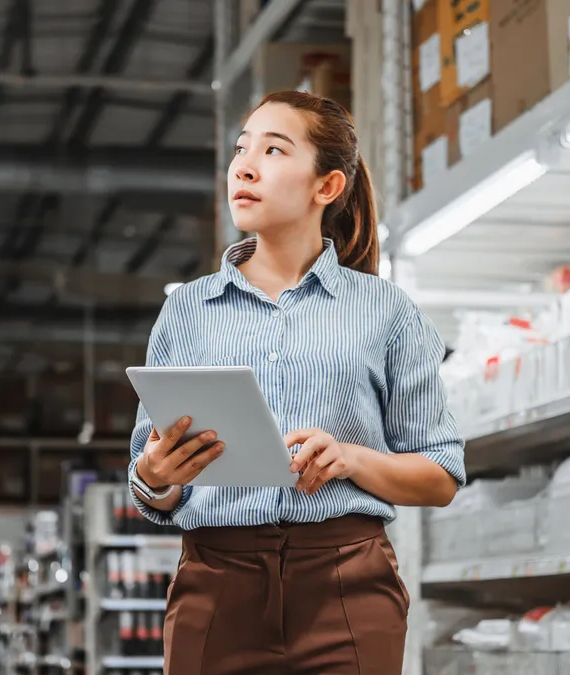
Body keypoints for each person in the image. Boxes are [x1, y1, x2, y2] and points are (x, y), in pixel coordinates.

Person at [126, 90, 466, 674]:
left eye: (274, 150)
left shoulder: (385, 311)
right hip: (216, 583)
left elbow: (440, 476)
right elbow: (146, 477)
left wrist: (352, 459)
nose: (245, 165)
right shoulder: (186, 310)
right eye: (241, 149)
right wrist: (156, 476)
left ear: (326, 186)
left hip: (346, 585)